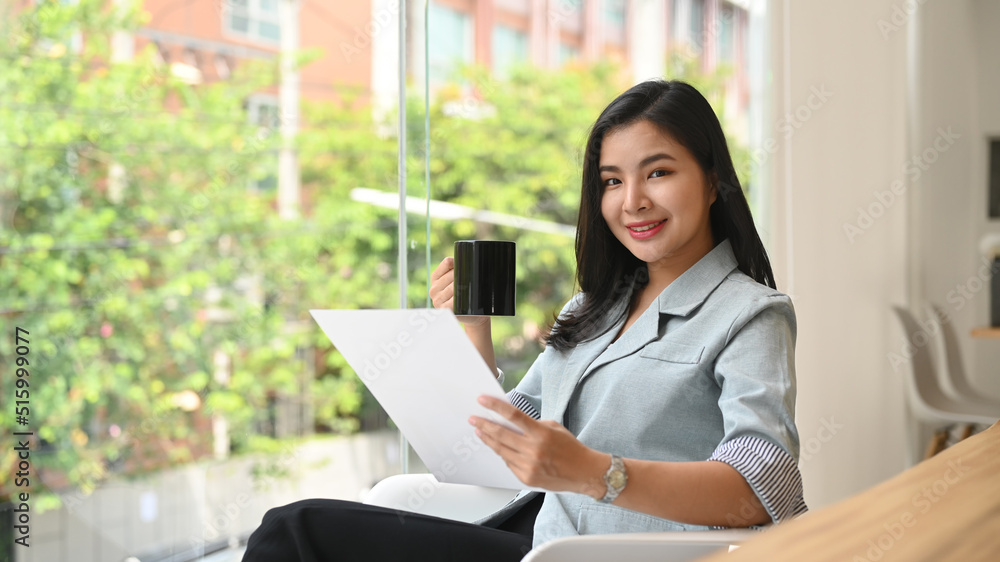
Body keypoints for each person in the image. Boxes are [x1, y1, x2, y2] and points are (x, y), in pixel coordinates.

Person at [242, 79, 806, 562]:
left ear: (712, 180)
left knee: (295, 531)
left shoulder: (750, 315)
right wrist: (472, 330)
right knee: (296, 530)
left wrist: (593, 471)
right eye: (612, 181)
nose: (632, 200)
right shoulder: (592, 309)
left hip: (611, 552)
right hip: (539, 535)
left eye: (657, 172)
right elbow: (506, 440)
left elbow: (763, 486)